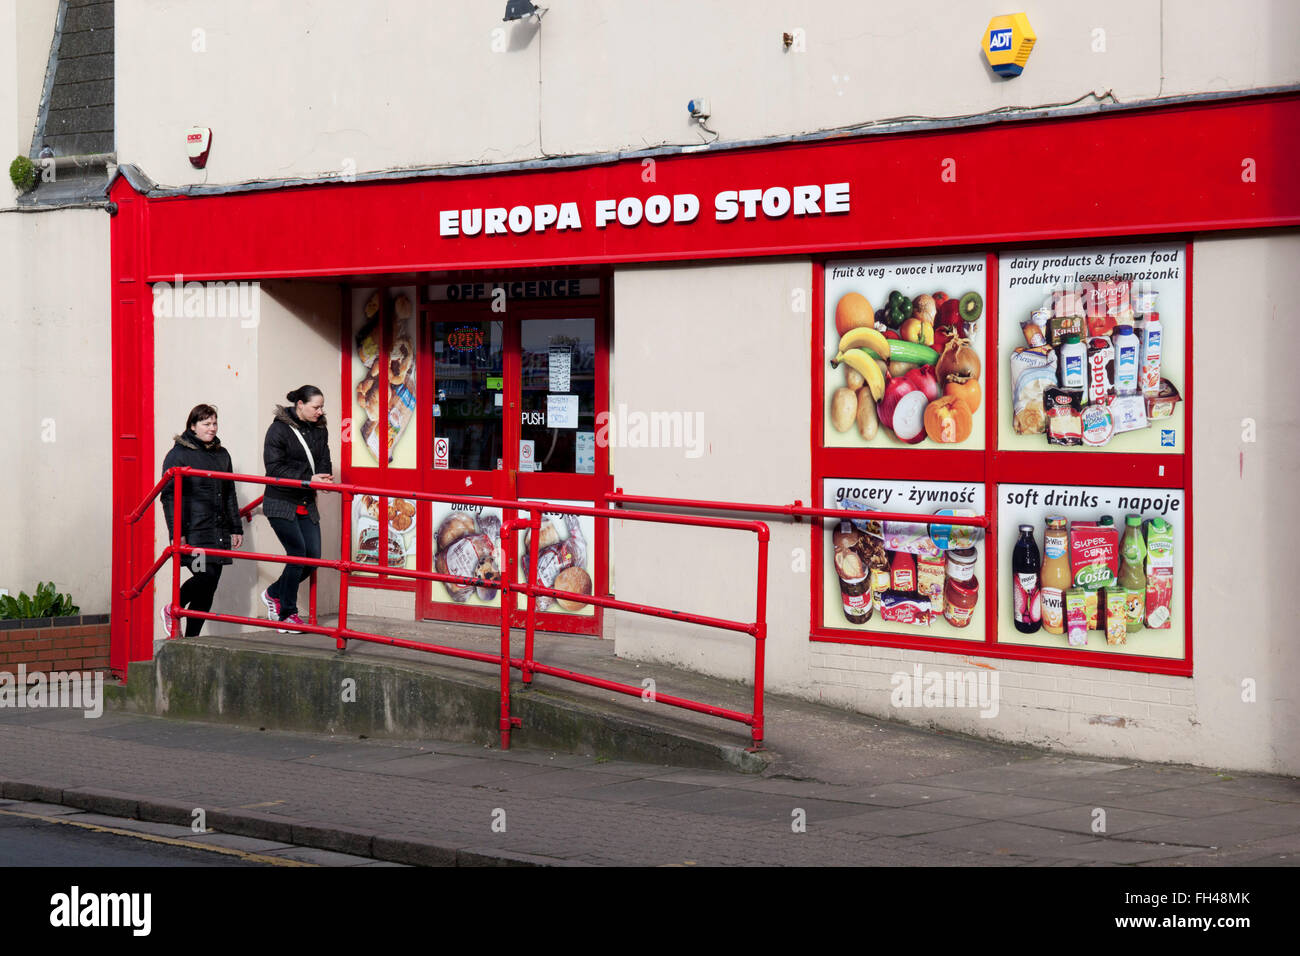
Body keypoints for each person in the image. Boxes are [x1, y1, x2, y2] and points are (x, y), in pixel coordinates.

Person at [159, 404, 243, 637]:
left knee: (209, 588)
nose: (212, 428)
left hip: (218, 531)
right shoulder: (178, 455)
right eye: (206, 424)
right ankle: (172, 608)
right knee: (205, 578)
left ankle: (191, 638)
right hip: (194, 531)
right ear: (193, 426)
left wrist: (235, 527)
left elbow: (229, 493)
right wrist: (177, 532)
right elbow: (169, 497)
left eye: (214, 423)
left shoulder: (222, 454)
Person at [261, 386, 333, 631]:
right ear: (300, 404)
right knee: (298, 554)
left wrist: (324, 477)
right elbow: (274, 468)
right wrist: (308, 479)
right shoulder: (278, 430)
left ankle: (273, 593)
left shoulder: (320, 428)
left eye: (322, 407)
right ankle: (287, 614)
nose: (320, 411)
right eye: (316, 407)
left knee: (312, 559)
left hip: (305, 501)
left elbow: (323, 457)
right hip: (280, 502)